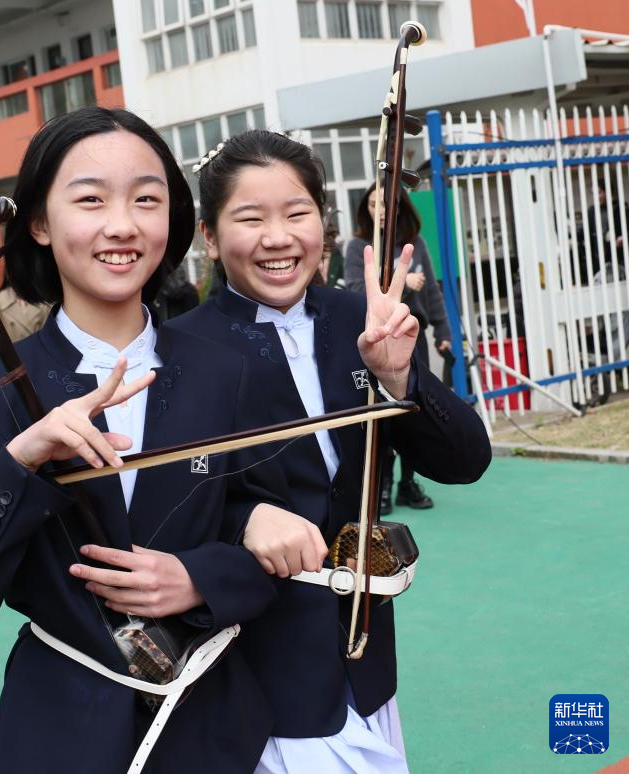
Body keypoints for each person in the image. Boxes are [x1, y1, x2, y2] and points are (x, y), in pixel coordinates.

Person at [0, 108, 280, 774]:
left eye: (146, 199)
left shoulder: (227, 371)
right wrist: (20, 461)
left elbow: (278, 542)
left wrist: (199, 578)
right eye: (90, 200)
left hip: (209, 726)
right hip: (59, 733)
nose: (122, 225)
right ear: (39, 223)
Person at [167, 130, 491, 773]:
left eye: (297, 213)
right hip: (251, 667)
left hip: (364, 654)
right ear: (209, 236)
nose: (278, 238)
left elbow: (465, 460)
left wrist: (399, 378)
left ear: (323, 221)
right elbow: (165, 509)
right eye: (250, 219)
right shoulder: (176, 351)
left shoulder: (363, 319)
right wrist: (243, 521)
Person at [344, 184, 453, 512]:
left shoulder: (414, 244)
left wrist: (442, 331)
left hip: (412, 339)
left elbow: (432, 292)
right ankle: (384, 484)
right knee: (383, 413)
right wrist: (402, 283)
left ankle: (408, 482)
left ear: (400, 206)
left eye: (385, 203)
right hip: (377, 344)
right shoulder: (358, 247)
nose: (379, 211)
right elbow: (355, 291)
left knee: (415, 410)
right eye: (372, 204)